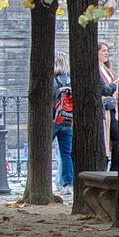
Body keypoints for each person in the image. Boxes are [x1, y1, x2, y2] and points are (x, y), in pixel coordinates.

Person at [50, 52, 74, 190]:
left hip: (53, 119)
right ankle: (67, 183)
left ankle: (43, 179)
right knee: (66, 153)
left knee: (45, 150)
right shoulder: (70, 80)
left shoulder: (51, 81)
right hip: (67, 120)